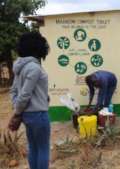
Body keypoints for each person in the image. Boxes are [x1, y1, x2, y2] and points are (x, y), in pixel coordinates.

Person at [10, 32, 50, 169]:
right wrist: (17, 112)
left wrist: (19, 111)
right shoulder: (34, 67)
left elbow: (15, 92)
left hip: (27, 116)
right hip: (39, 114)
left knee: (33, 147)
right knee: (43, 149)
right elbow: (25, 94)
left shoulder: (20, 67)